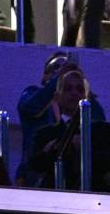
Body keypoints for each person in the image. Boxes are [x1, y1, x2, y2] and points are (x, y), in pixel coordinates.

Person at [28, 67, 110, 190]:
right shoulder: (45, 133)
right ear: (57, 97)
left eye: (80, 89)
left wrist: (84, 147)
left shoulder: (104, 130)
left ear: (86, 97)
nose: (74, 93)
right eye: (68, 89)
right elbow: (36, 165)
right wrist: (55, 147)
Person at [17, 51, 101, 183]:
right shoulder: (31, 93)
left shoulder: (80, 101)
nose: (63, 71)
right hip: (35, 176)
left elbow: (99, 121)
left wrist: (83, 89)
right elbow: (31, 107)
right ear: (45, 76)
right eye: (56, 68)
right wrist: (60, 77)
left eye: (68, 68)